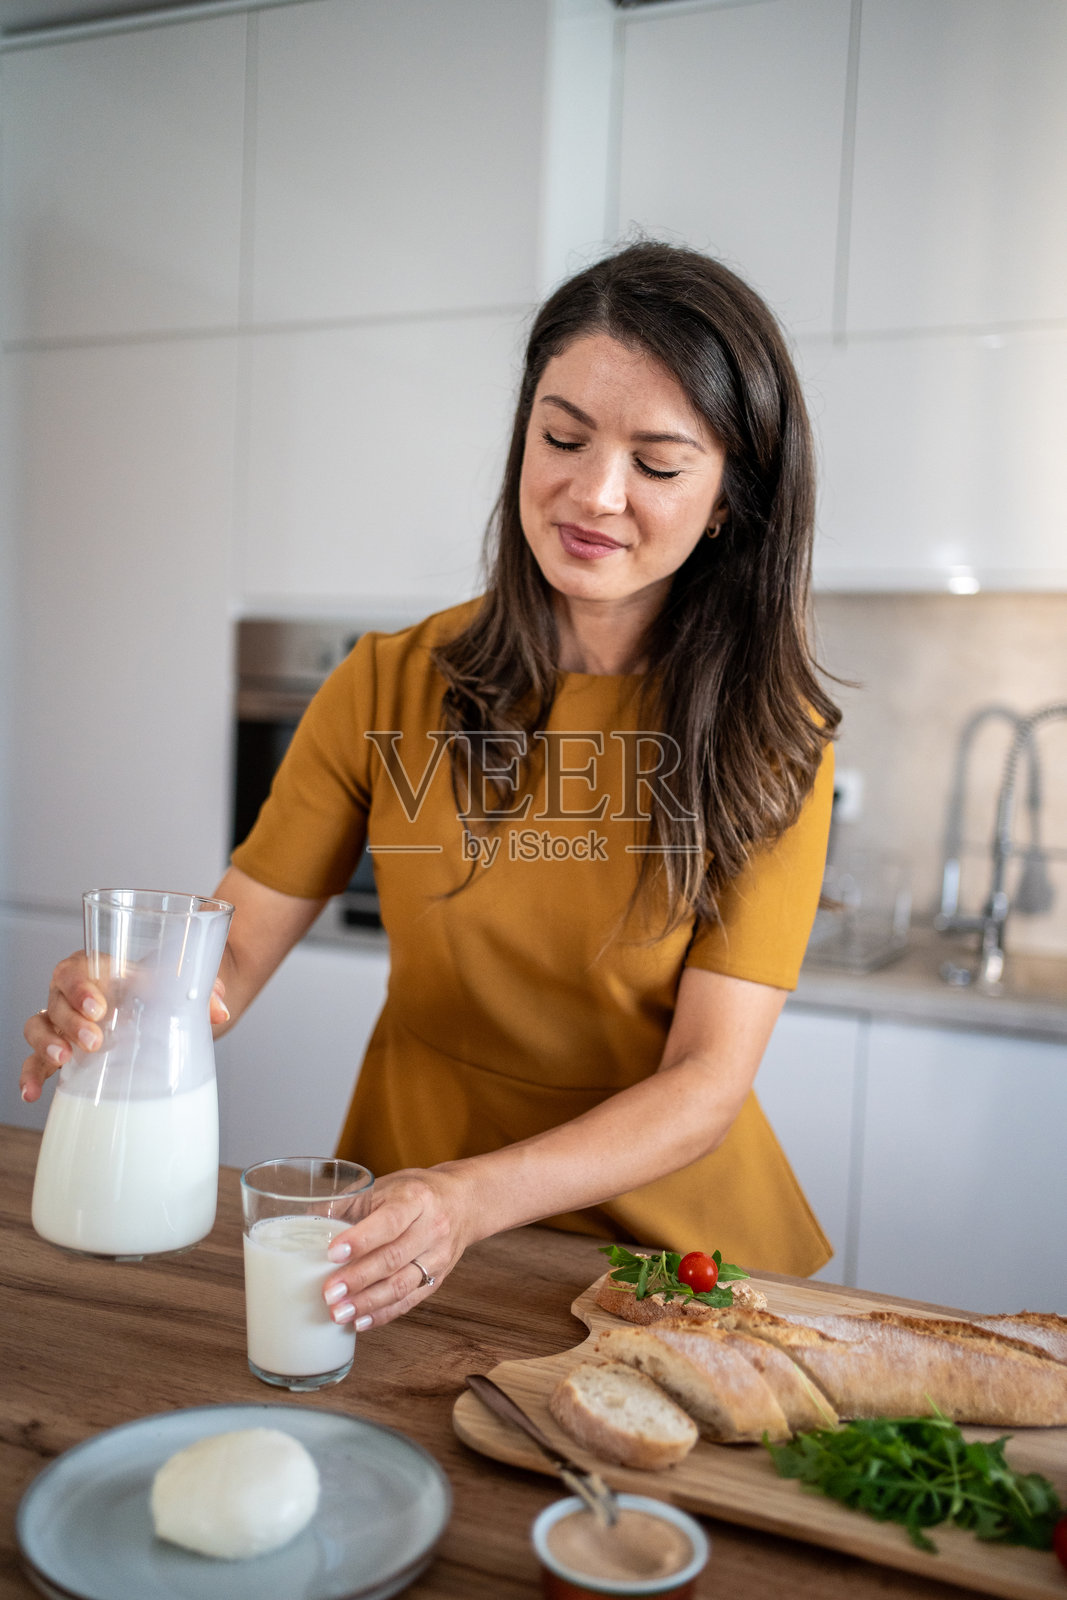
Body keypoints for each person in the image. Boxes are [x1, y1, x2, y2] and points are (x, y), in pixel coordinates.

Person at [22, 241, 840, 1334]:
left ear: (729, 498)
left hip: (665, 1262)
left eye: (656, 462)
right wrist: (131, 1005)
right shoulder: (388, 682)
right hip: (408, 1236)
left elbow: (704, 1081)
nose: (591, 493)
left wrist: (475, 1194)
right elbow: (234, 952)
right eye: (560, 437)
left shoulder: (773, 736)